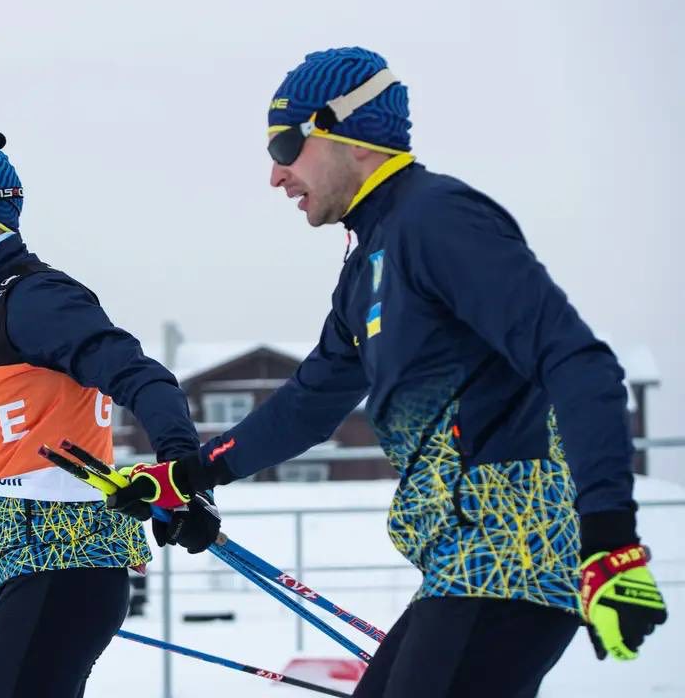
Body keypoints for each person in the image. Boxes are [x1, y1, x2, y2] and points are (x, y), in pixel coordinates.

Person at [108, 48, 668, 697]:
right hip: (458, 563)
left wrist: (610, 538)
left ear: (349, 133)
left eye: (287, 144)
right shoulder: (368, 261)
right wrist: (189, 474)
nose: (274, 174)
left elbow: (576, 361)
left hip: (510, 552)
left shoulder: (436, 219)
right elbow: (309, 402)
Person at [0, 132, 214, 698]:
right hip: (39, 568)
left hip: (67, 568)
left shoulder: (37, 298)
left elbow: (145, 379)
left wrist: (182, 478)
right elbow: (14, 471)